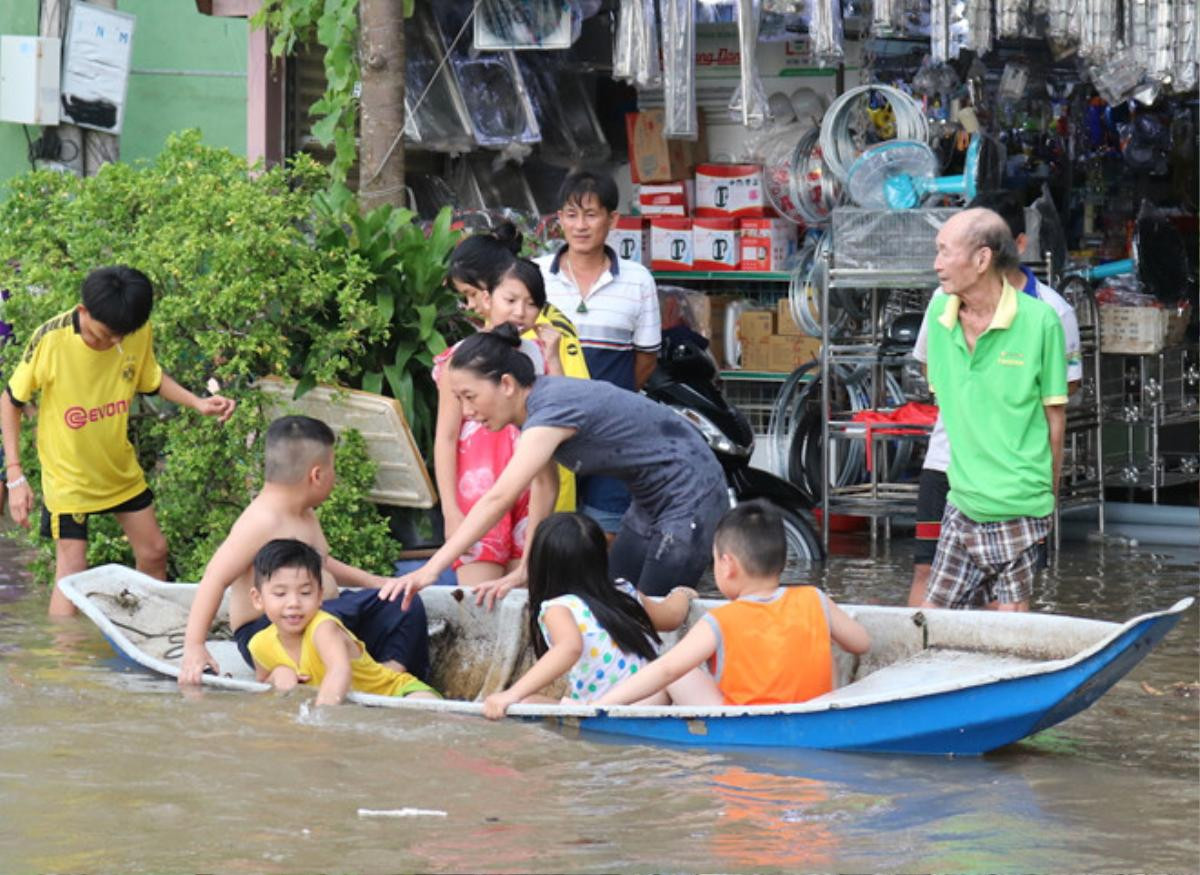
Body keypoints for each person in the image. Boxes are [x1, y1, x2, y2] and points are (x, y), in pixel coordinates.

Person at [381, 324, 728, 608]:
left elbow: (499, 497)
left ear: (506, 384)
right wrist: (524, 571)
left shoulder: (550, 410)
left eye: (469, 397)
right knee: (609, 602)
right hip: (649, 500)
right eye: (459, 400)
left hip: (691, 495)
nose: (467, 411)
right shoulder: (531, 412)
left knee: (651, 612)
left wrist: (432, 569)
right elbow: (545, 488)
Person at [0, 266, 236, 617]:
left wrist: (197, 402)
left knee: (154, 550)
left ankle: (146, 630)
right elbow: (11, 400)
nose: (115, 344)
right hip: (69, 476)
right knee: (72, 572)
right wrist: (16, 476)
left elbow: (150, 378)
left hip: (117, 467)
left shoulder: (132, 330)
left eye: (122, 336)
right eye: (106, 335)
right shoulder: (52, 339)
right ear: (84, 312)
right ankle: (64, 666)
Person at [908, 192, 1083, 607]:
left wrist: (1049, 497)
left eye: (944, 253)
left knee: (1006, 616)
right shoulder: (939, 310)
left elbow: (1056, 410)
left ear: (984, 258)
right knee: (930, 595)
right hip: (957, 485)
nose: (936, 265)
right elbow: (931, 372)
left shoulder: (1046, 316)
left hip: (1018, 496)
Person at [178, 415, 429, 685]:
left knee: (403, 602)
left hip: (323, 615)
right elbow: (215, 577)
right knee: (324, 622)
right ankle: (326, 674)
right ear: (317, 475)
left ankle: (389, 673)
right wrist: (194, 645)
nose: (335, 476)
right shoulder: (261, 521)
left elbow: (324, 563)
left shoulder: (305, 514)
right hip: (271, 629)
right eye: (334, 468)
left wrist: (379, 583)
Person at [596, 502, 870, 707]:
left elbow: (665, 670)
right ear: (784, 562)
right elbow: (861, 644)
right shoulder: (814, 598)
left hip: (744, 727)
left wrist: (599, 705)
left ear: (727, 565)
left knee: (676, 672)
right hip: (809, 715)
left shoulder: (720, 621)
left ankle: (616, 716)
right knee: (828, 649)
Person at [537, 169, 661, 536]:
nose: (580, 226)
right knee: (550, 527)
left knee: (607, 528)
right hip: (548, 429)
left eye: (591, 215)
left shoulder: (638, 280)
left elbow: (646, 359)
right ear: (559, 219)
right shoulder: (535, 276)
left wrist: (610, 404)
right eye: (571, 215)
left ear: (612, 220)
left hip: (612, 433)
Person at [481, 512, 698, 718]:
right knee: (531, 702)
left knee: (525, 704)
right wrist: (684, 593)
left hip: (602, 712)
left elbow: (569, 648)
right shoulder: (625, 592)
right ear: (601, 559)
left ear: (541, 564)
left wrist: (512, 693)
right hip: (651, 700)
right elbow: (673, 616)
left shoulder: (558, 608)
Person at [437, 247, 563, 588]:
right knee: (478, 605)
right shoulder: (461, 358)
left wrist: (553, 357)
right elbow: (446, 438)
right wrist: (450, 510)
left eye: (532, 304)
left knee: (521, 603)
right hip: (476, 495)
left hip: (530, 494)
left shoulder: (540, 355)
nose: (521, 312)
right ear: (486, 296)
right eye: (510, 300)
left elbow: (565, 410)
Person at [247, 538, 438, 705]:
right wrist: (278, 673)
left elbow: (339, 671)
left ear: (320, 595)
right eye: (280, 594)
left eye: (305, 593)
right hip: (357, 708)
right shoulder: (259, 644)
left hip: (395, 694)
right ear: (258, 599)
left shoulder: (323, 628)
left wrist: (320, 720)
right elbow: (263, 684)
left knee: (426, 707)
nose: (294, 603)